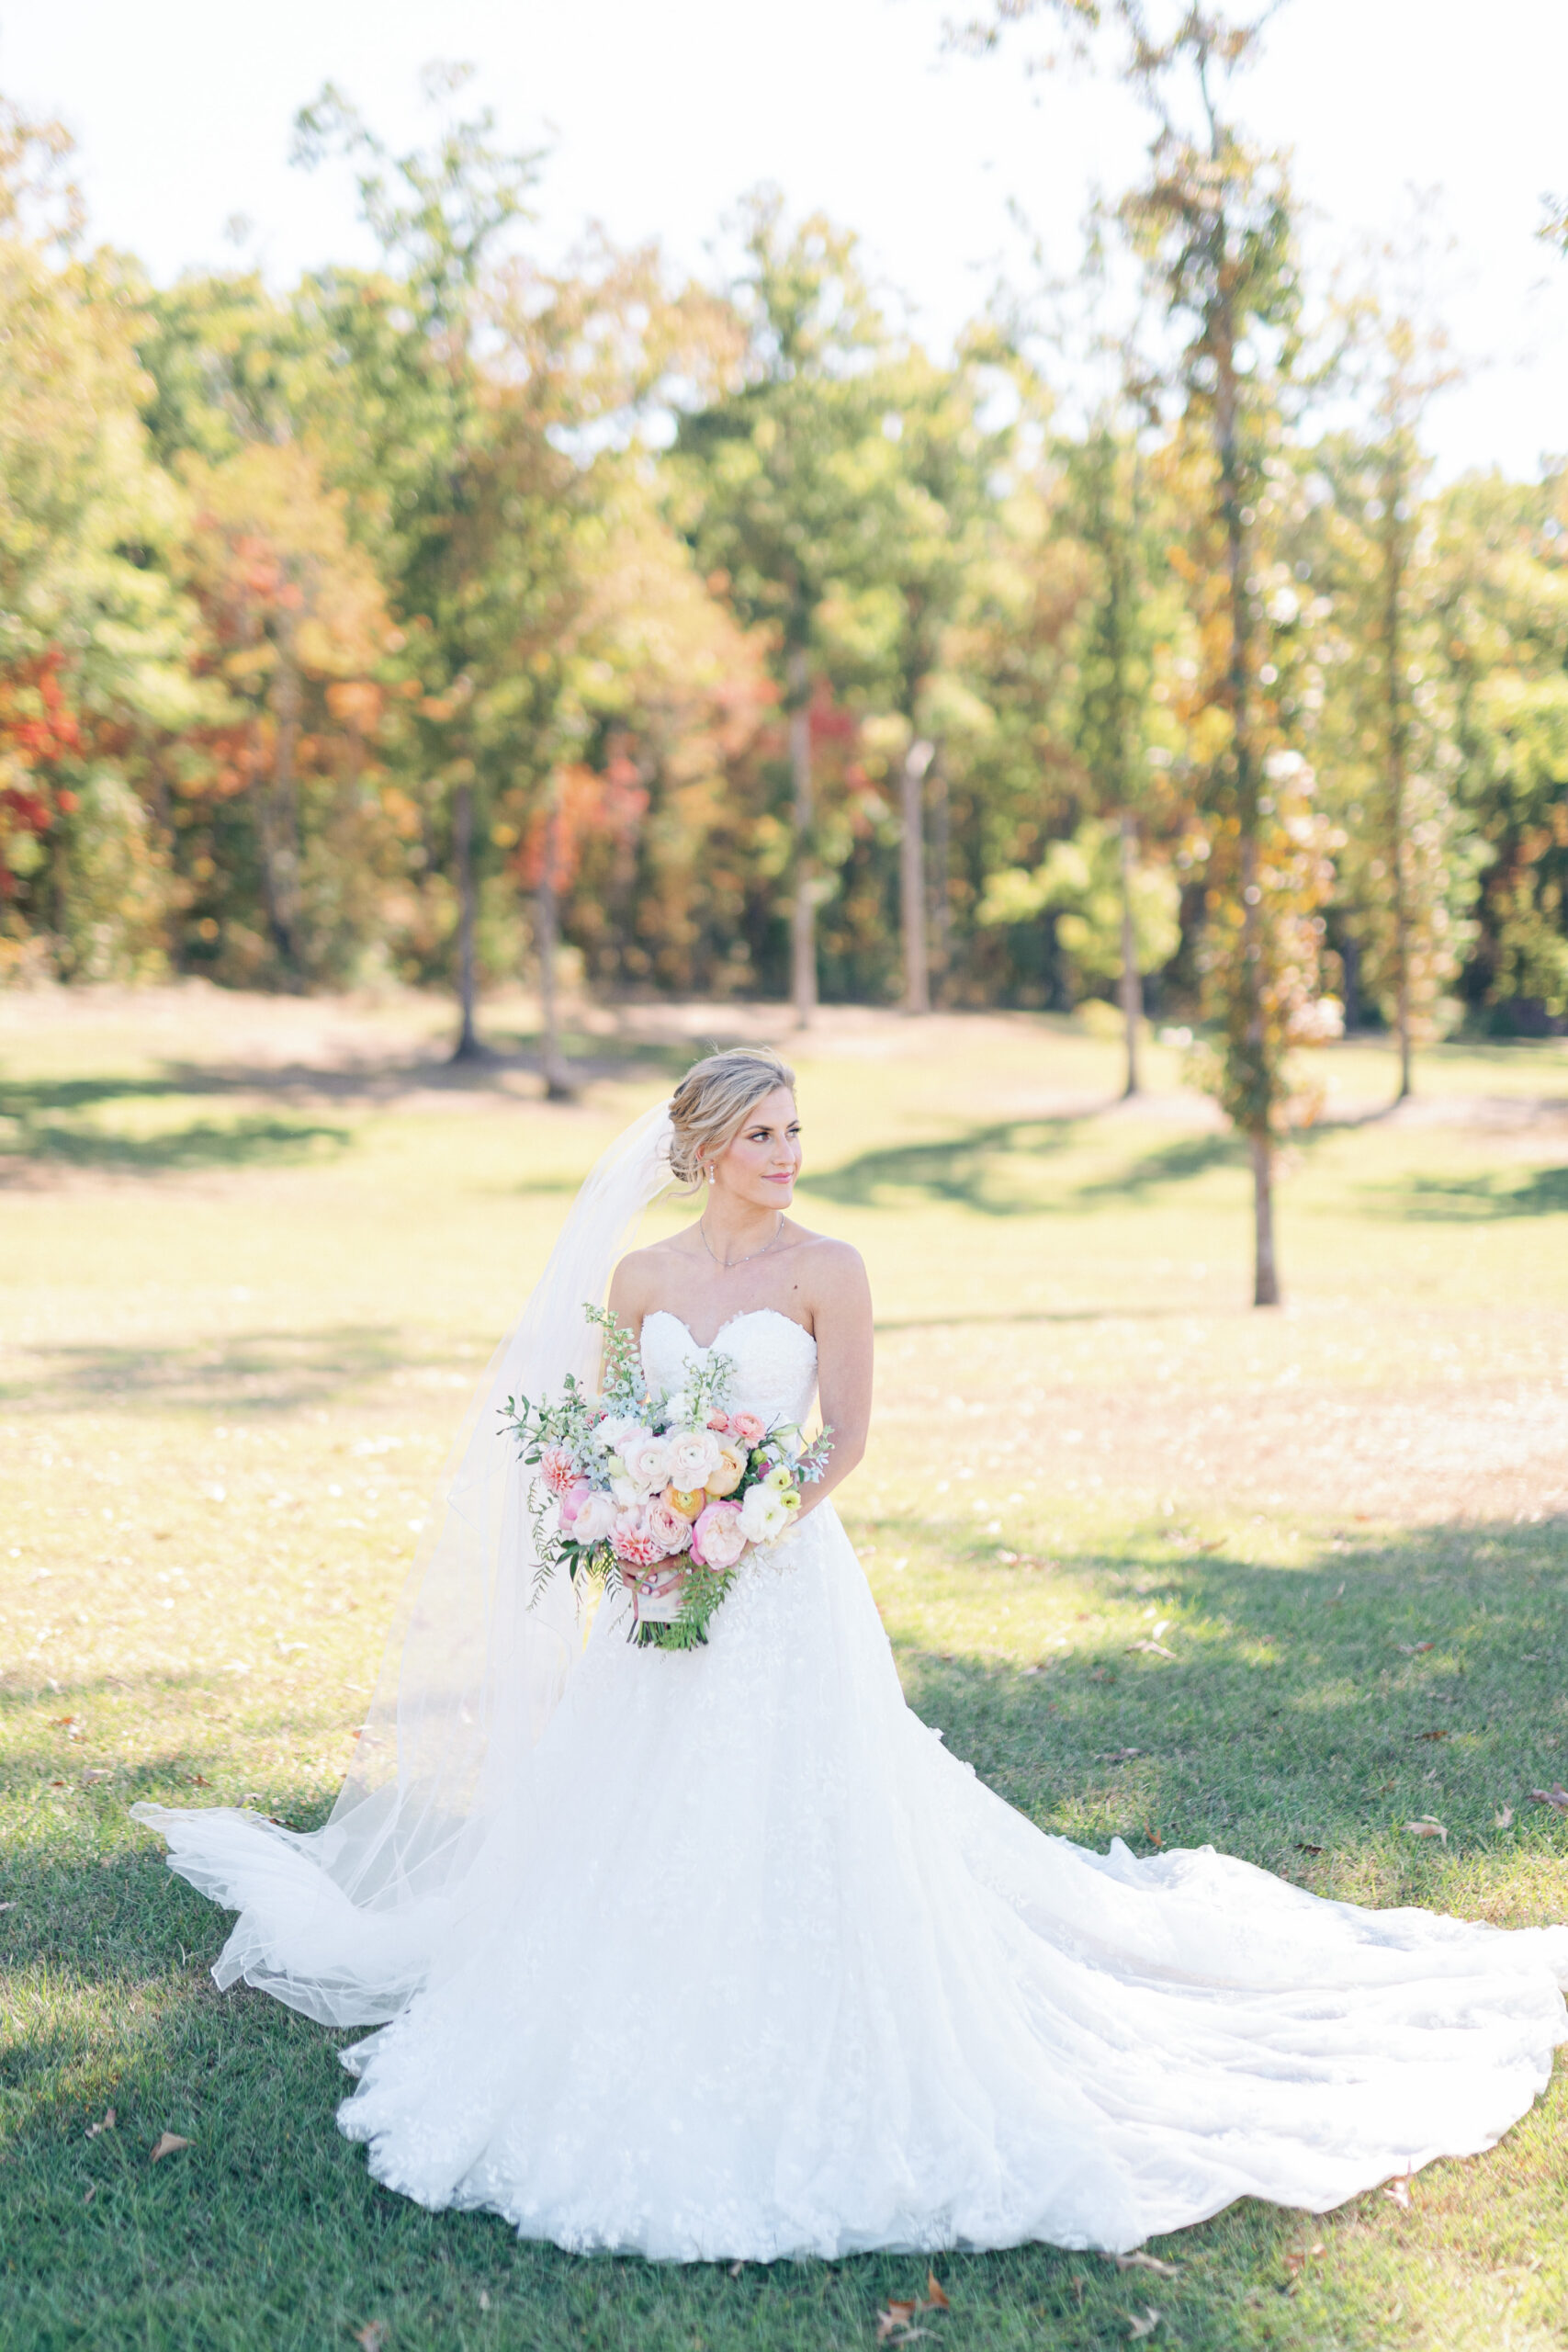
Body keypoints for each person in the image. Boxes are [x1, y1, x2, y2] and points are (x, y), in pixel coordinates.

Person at [135, 1046, 1568, 2262]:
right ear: (705, 1147)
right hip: (657, 1595)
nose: (787, 1155)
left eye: (795, 1131)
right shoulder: (638, 1278)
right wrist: (637, 1522)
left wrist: (743, 1521)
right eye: (761, 1134)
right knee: (636, 1804)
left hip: (782, 1588)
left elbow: (849, 1440)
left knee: (808, 1808)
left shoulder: (831, 1270)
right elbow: (605, 1436)